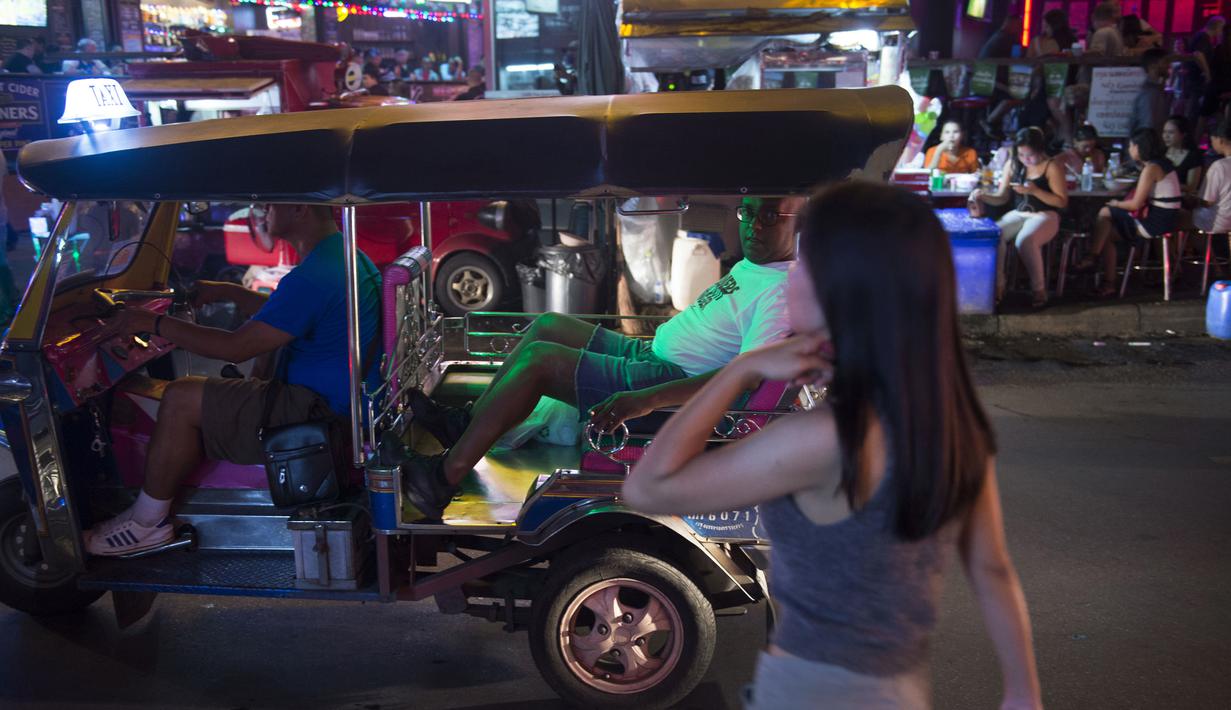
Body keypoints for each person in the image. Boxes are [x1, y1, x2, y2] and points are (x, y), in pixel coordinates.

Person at [622, 182, 1042, 710]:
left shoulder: (823, 440)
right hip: (899, 691)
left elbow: (648, 487)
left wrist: (740, 370)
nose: (792, 274)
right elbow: (992, 569)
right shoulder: (951, 427)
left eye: (805, 263)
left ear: (836, 290)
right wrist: (1023, 692)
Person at [399, 196, 805, 520]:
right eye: (748, 214)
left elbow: (747, 376)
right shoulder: (759, 265)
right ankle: (464, 427)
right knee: (549, 325)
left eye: (770, 216)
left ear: (798, 222)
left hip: (665, 384)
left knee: (541, 361)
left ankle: (442, 479)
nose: (753, 226)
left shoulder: (781, 293)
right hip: (650, 353)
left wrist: (648, 398)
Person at [82, 204, 382, 555]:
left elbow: (234, 348)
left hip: (317, 411)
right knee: (200, 392)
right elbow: (287, 314)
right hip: (338, 398)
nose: (263, 214)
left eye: (269, 205)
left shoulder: (314, 276)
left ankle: (147, 523)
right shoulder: (340, 255)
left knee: (180, 397)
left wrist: (149, 323)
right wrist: (229, 292)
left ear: (298, 209)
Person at [969, 127, 1069, 308]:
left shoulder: (1051, 166)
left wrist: (1035, 191)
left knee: (1025, 240)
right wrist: (983, 196)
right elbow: (1002, 197)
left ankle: (1039, 290)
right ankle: (998, 287)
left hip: (1045, 214)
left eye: (1030, 155)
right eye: (1021, 155)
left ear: (1040, 150)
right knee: (995, 235)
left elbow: (1061, 201)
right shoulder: (1013, 164)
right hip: (1019, 212)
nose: (1026, 160)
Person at [1075, 128, 1182, 297]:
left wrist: (1116, 203)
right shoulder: (1162, 163)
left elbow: (1135, 205)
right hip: (1165, 218)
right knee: (1106, 234)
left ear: (1140, 147)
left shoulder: (1152, 168)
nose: (1130, 150)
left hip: (1156, 222)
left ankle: (1092, 257)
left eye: (1131, 146)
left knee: (1105, 212)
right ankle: (1106, 280)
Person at [1178, 15, 1225, 126]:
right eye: (1222, 28)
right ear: (1217, 27)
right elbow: (1198, 55)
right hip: (1197, 81)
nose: (1222, 32)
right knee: (1193, 112)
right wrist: (1208, 73)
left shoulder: (1203, 36)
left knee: (1195, 111)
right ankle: (1187, 138)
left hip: (1196, 80)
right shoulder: (1203, 37)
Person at [1195, 117, 1231, 234]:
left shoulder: (1219, 166)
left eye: (1212, 140)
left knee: (1184, 214)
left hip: (1220, 222)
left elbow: (1208, 201)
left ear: (1220, 140)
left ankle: (1188, 249)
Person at [1129, 49, 1171, 137]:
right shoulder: (1149, 93)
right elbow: (1148, 128)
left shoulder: (1154, 90)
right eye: (1165, 62)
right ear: (1152, 66)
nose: (1168, 66)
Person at [1162, 115, 1204, 194]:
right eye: (1164, 132)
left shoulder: (1193, 156)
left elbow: (1191, 187)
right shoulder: (1161, 152)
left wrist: (1163, 183)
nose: (1166, 136)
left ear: (1183, 134)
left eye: (1171, 132)